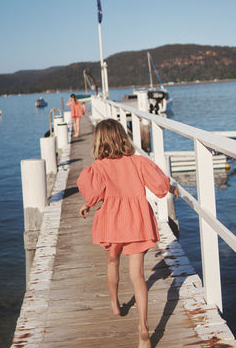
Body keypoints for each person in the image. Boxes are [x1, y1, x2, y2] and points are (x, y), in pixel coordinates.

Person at [77, 118, 179, 348]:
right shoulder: (137, 162)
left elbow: (93, 194)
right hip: (137, 221)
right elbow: (160, 186)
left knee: (112, 262)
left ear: (99, 141)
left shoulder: (99, 167)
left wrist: (87, 204)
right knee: (138, 275)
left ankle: (114, 304)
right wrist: (170, 187)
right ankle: (143, 327)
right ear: (122, 136)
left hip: (112, 221)